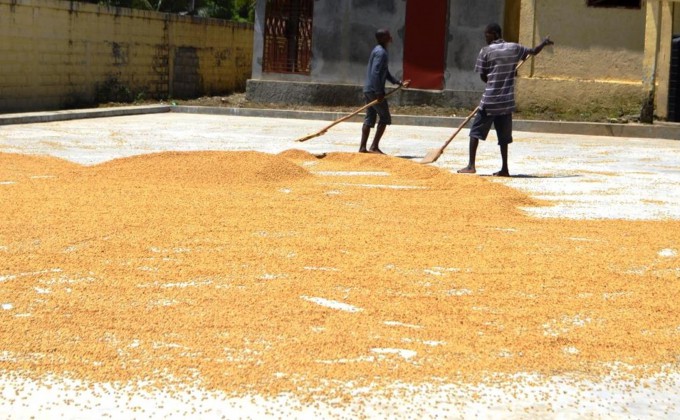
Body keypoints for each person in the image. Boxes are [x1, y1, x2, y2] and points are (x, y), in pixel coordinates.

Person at [458, 23, 553, 176]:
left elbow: (483, 76)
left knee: (475, 133)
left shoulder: (486, 51)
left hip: (490, 101)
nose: (485, 38)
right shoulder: (514, 48)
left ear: (495, 34)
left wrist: (494, 78)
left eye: (487, 35)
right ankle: (505, 169)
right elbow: (533, 52)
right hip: (506, 102)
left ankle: (471, 166)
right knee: (504, 138)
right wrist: (543, 42)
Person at [360, 29, 409, 154]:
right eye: (388, 36)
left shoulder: (377, 50)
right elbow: (376, 72)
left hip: (368, 89)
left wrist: (397, 82)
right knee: (385, 117)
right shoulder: (381, 53)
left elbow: (384, 72)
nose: (390, 37)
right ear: (383, 38)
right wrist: (378, 92)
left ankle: (363, 148)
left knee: (370, 117)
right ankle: (374, 146)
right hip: (374, 90)